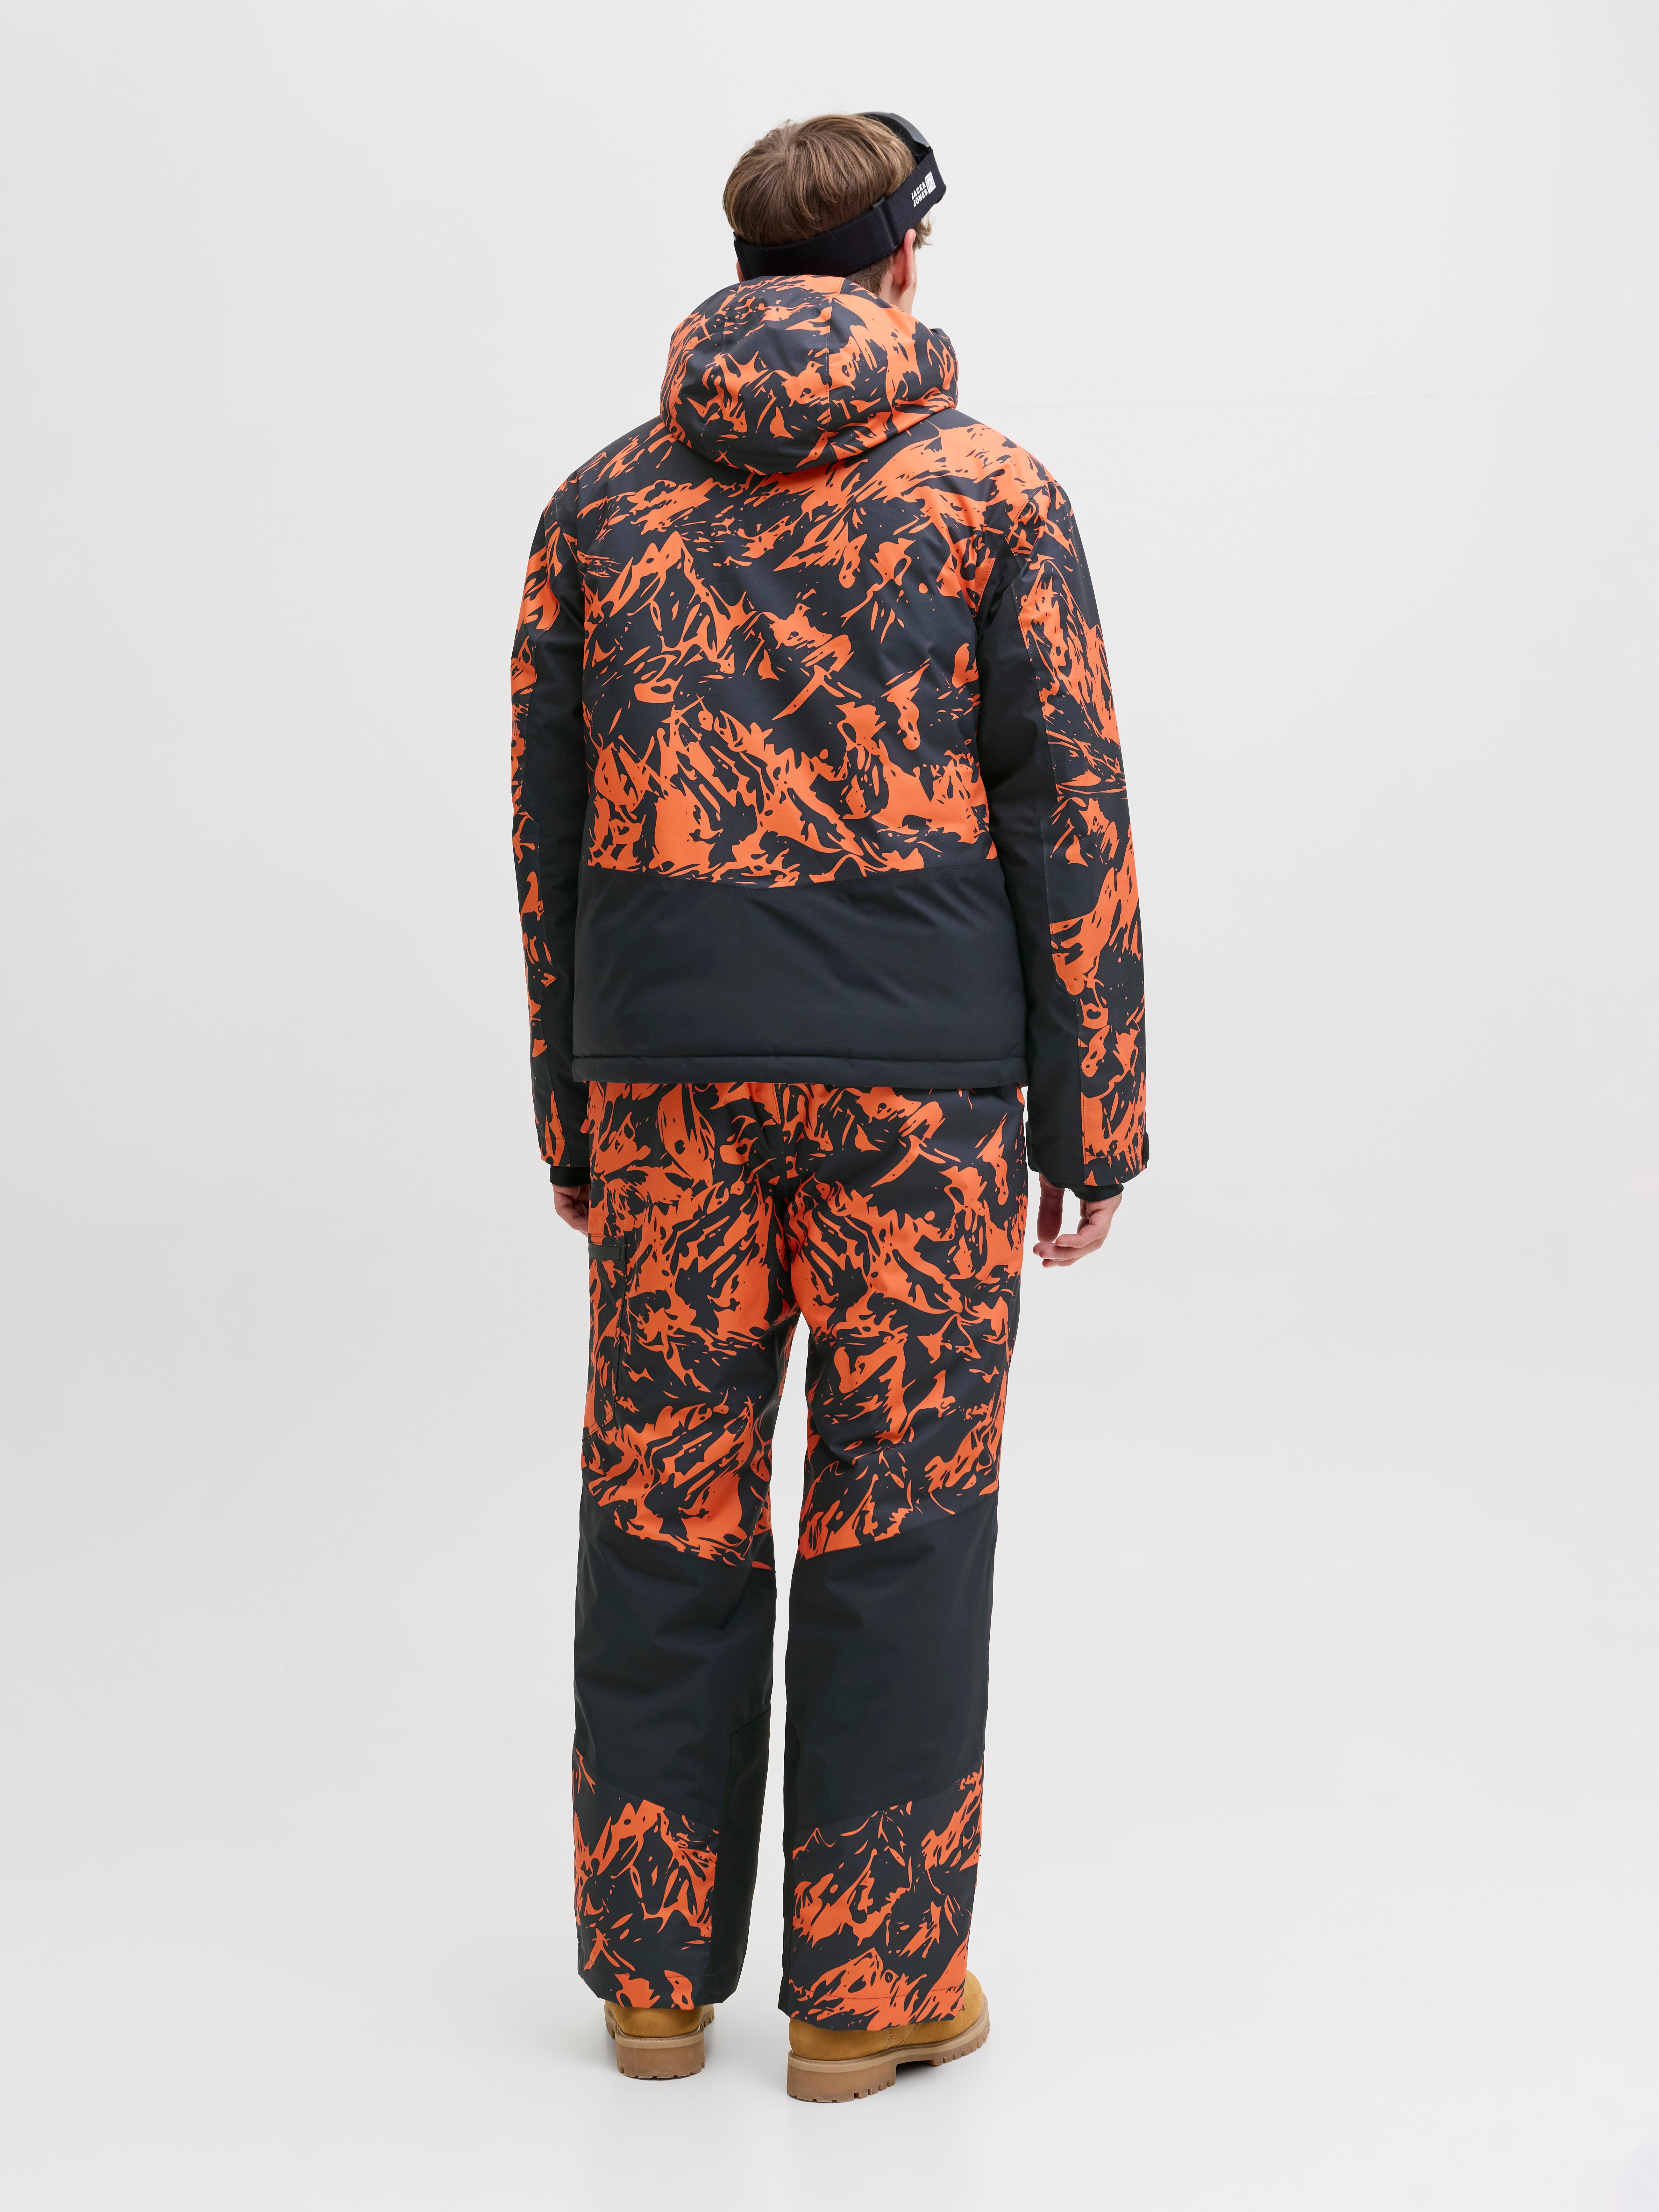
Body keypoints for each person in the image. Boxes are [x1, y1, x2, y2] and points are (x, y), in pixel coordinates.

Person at [510, 110, 1147, 2102]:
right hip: (918, 1096)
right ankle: (870, 1998)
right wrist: (1095, 1109)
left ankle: (651, 1984)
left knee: (665, 1499)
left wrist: (571, 1103)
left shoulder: (601, 507)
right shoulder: (994, 493)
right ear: (901, 265)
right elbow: (1067, 803)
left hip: (668, 1076)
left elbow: (548, 822)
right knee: (904, 1510)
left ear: (745, 267)